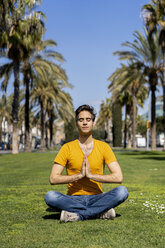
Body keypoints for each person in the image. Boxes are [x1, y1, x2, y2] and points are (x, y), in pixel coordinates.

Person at [45, 104, 128, 222]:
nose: (85, 123)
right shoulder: (67, 148)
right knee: (50, 196)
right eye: (81, 120)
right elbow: (53, 178)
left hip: (97, 197)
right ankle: (99, 212)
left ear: (93, 123)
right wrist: (78, 176)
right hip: (73, 199)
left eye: (88, 120)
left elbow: (118, 177)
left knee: (122, 191)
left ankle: (78, 215)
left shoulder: (104, 147)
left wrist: (91, 176)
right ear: (76, 123)